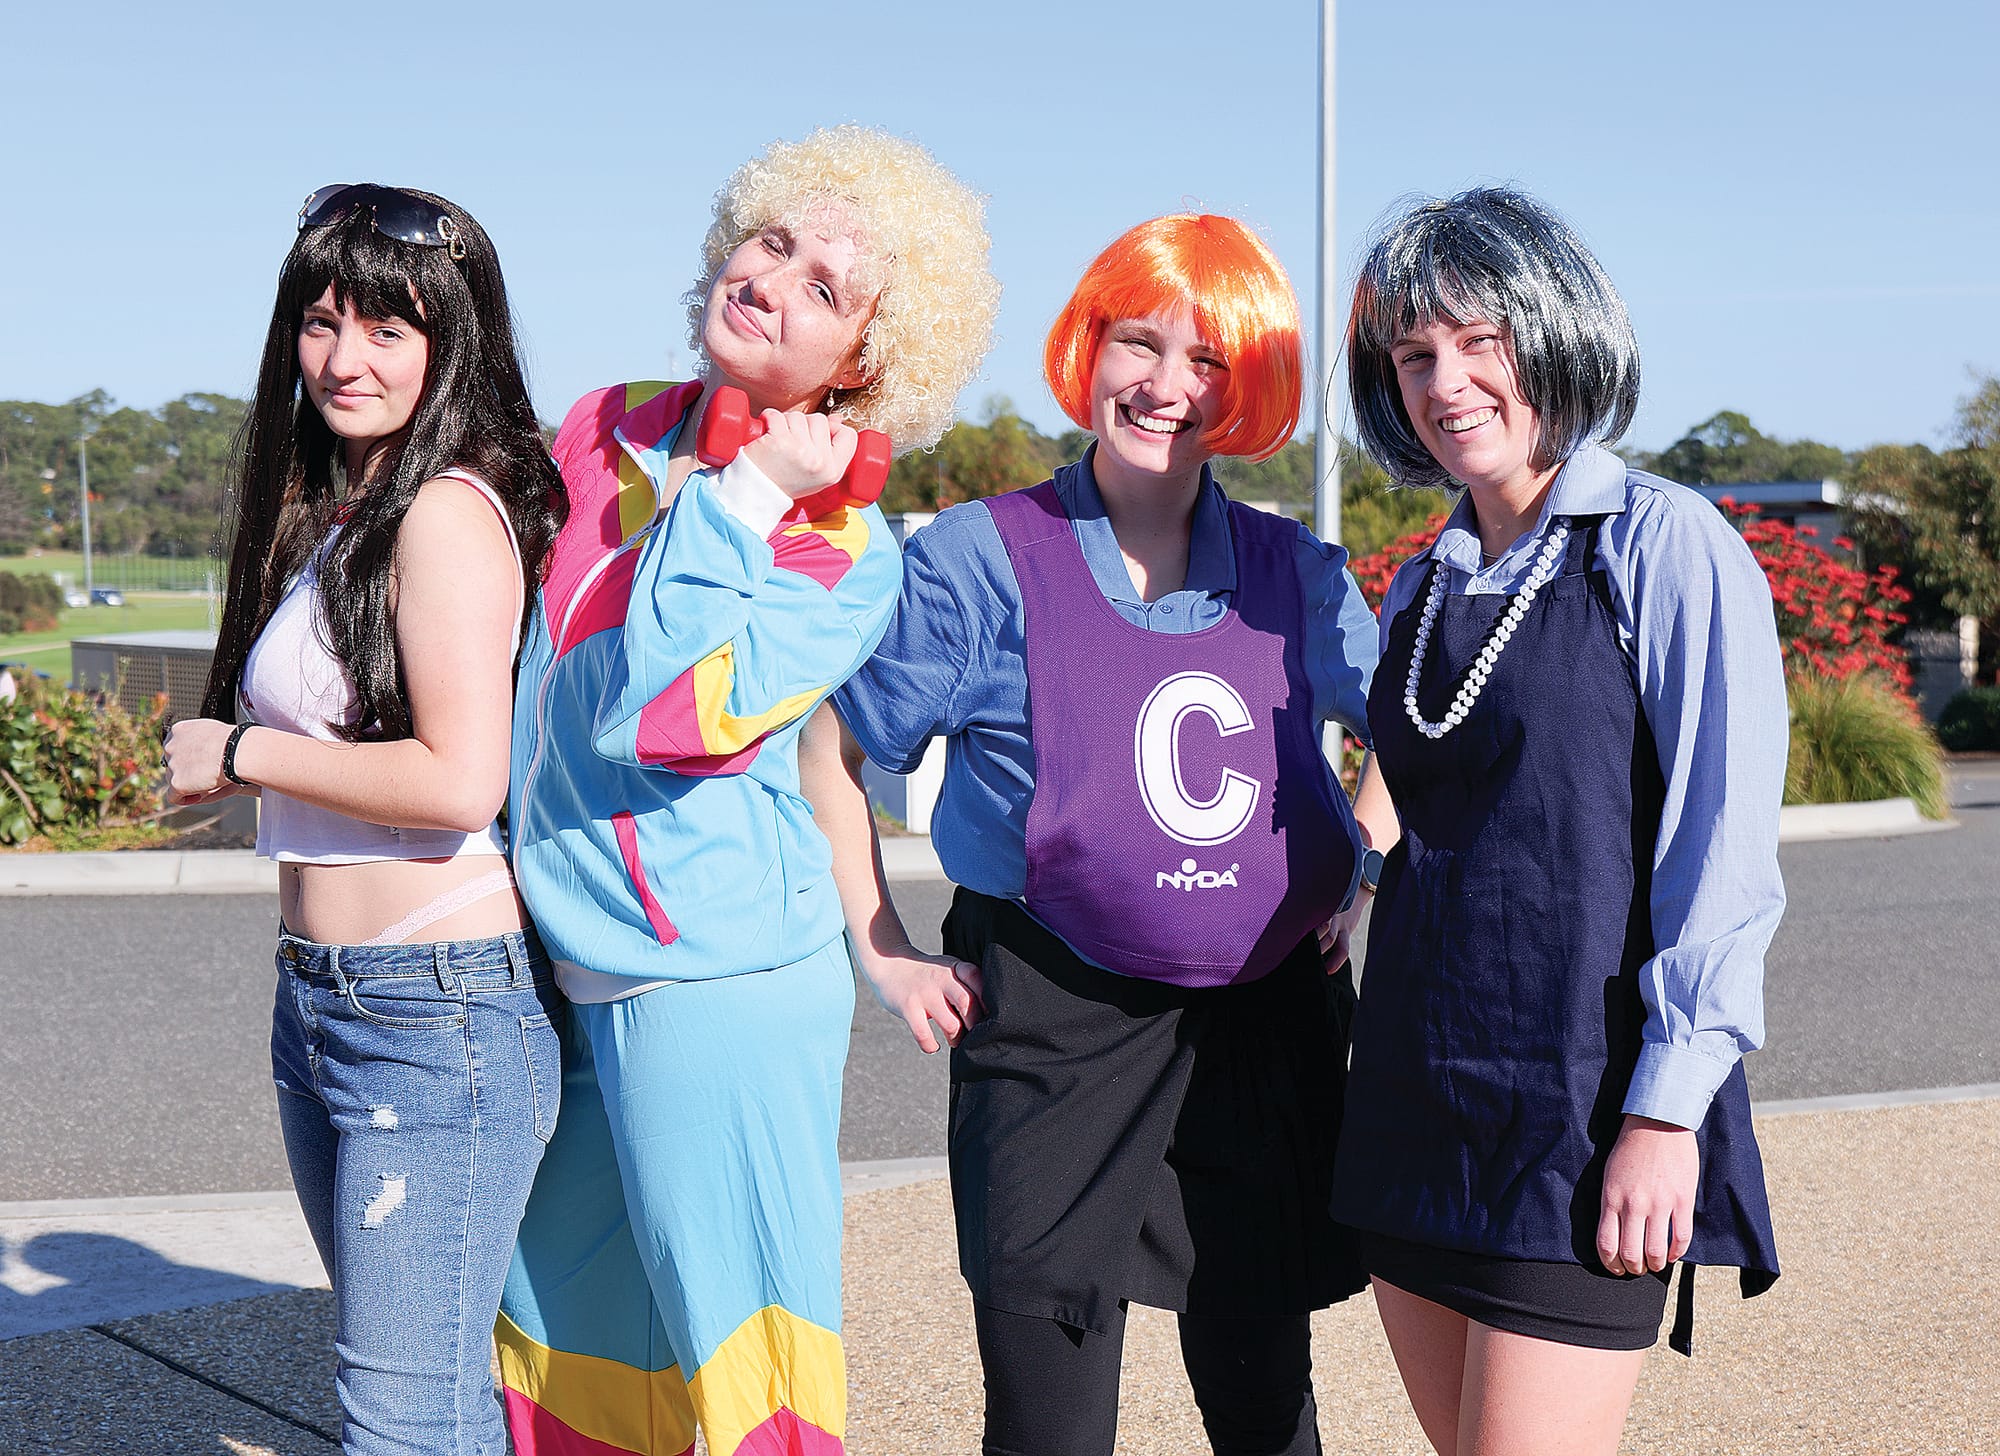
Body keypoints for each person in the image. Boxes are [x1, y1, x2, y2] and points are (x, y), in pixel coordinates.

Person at [800, 214, 1393, 1456]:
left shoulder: (1295, 570)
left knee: (1262, 1401)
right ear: (1090, 346)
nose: (1166, 386)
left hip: (1257, 1021)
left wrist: (1358, 860)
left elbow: (1406, 727)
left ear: (1248, 387)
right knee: (1047, 1420)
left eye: (1207, 360)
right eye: (1139, 342)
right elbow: (833, 746)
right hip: (1049, 1024)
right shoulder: (980, 558)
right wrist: (884, 949)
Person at [494, 126, 999, 1456]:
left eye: (829, 289)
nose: (777, 279)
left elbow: (653, 716)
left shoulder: (845, 548)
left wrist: (749, 491)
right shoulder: (600, 427)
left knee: (740, 1353)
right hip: (563, 955)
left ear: (866, 367)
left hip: (713, 974)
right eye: (777, 242)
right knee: (561, 1326)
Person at [1333, 187, 1783, 1455]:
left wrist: (1662, 1115)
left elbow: (1722, 857)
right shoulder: (1427, 575)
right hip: (1416, 1093)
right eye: (1414, 356)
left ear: (1554, 335)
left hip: (1583, 1111)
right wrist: (1339, 887)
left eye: (1481, 342)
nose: (1446, 382)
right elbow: (1421, 799)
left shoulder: (1665, 544)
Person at [164, 184, 566, 1453]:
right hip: (330, 997)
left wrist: (242, 748)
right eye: (322, 322)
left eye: (389, 331)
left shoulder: (443, 513)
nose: (346, 360)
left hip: (429, 1011)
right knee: (425, 1399)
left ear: (452, 344)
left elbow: (459, 781)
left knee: (401, 1418)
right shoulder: (340, 513)